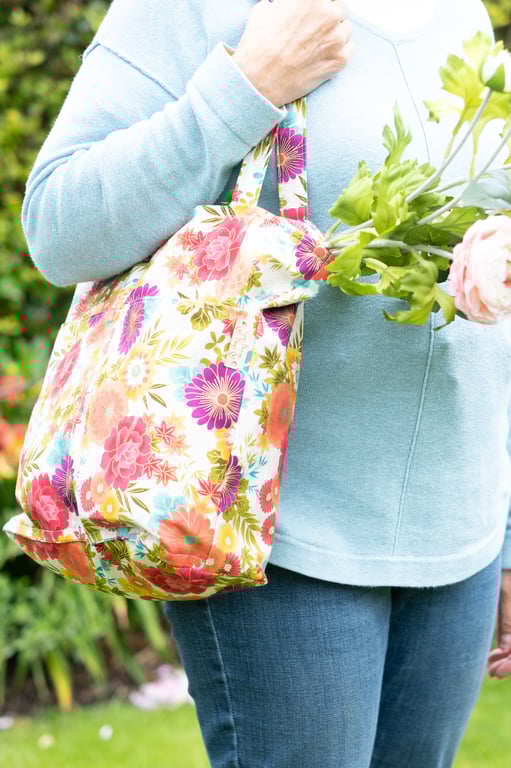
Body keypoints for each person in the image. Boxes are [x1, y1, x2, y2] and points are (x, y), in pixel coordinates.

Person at [21, 0, 511, 765]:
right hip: (275, 536)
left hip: (458, 542)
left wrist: (504, 531)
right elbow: (58, 226)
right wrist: (244, 89)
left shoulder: (460, 15)